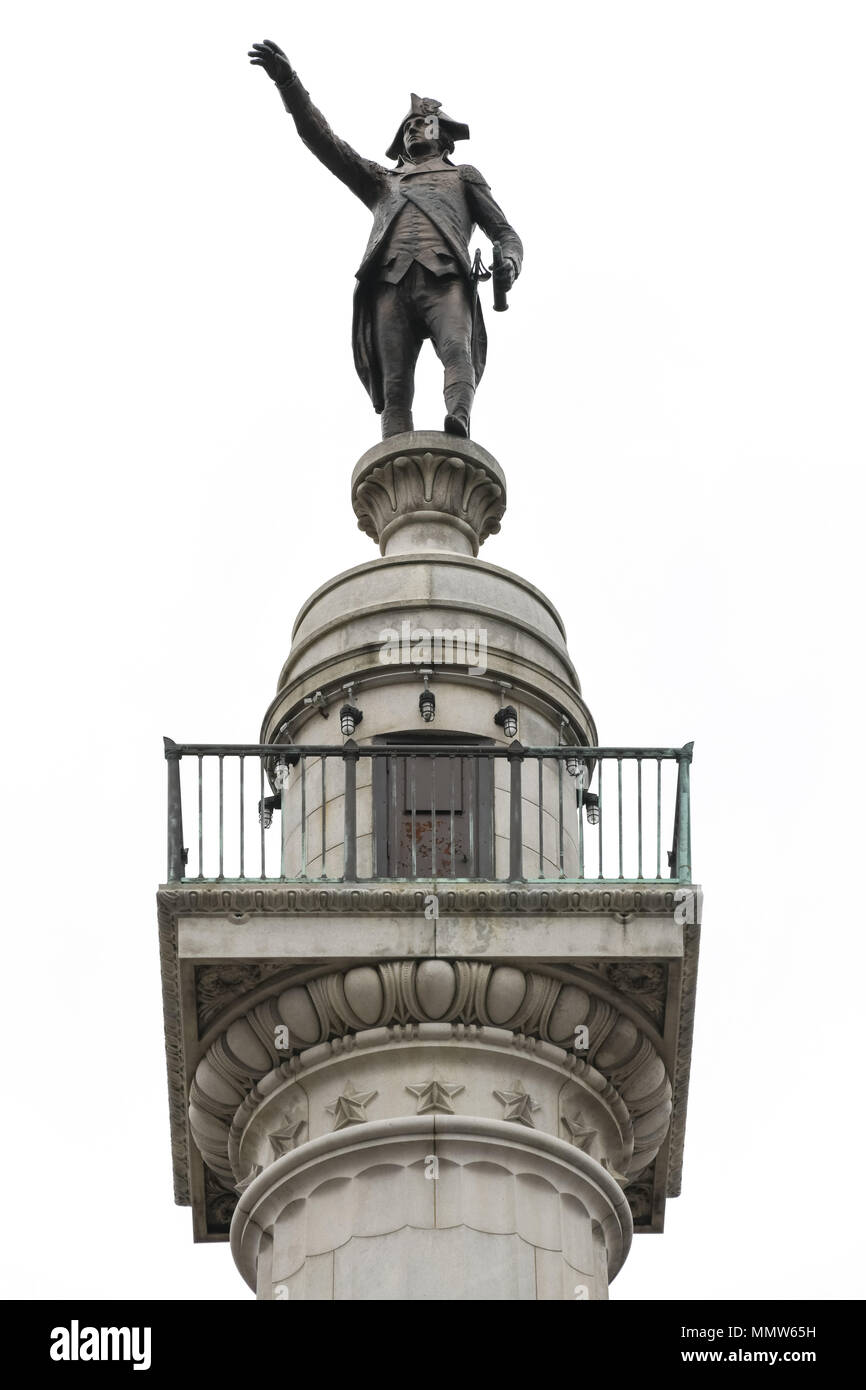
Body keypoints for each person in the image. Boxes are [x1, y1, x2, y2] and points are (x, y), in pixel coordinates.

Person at [249, 40, 524, 439]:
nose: (413, 130)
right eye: (407, 128)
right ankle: (396, 452)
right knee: (394, 385)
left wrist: (509, 263)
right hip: (389, 283)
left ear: (441, 133)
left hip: (445, 277)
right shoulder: (382, 182)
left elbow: (505, 233)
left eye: (419, 124)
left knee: (456, 350)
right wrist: (289, 84)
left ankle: (459, 416)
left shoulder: (462, 176)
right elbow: (326, 143)